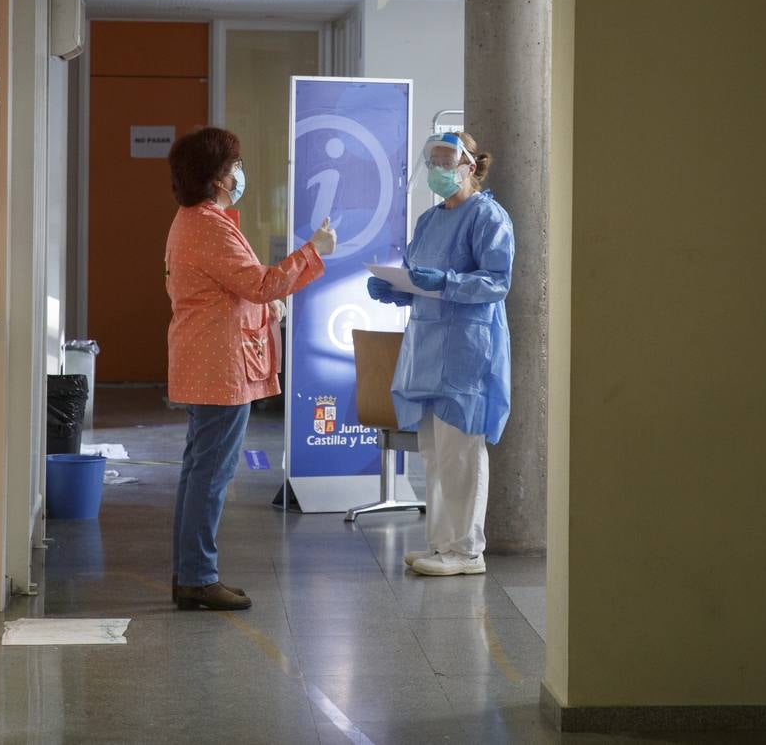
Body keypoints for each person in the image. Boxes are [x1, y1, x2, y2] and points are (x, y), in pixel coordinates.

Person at [164, 126, 336, 610]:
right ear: (218, 178)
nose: (240, 174)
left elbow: (228, 292)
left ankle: (190, 573)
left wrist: (266, 308)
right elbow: (261, 284)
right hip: (218, 367)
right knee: (210, 475)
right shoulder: (209, 226)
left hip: (205, 360)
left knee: (199, 471)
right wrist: (314, 248)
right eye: (234, 167)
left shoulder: (192, 221)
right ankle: (198, 576)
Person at [366, 131, 514, 577]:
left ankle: (466, 551)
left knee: (461, 450)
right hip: (428, 346)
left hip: (467, 348)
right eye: (432, 161)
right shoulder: (429, 220)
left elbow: (497, 282)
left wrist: (445, 282)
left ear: (469, 166)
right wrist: (398, 290)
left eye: (446, 161)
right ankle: (441, 543)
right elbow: (421, 280)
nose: (437, 169)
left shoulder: (488, 217)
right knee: (433, 449)